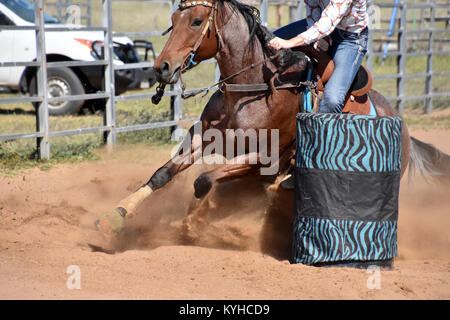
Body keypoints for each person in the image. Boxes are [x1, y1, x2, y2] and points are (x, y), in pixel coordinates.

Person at [268, 0, 370, 114]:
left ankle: (324, 130)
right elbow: (313, 9)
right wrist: (317, 36)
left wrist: (289, 43)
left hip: (349, 39)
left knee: (332, 100)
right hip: (322, 24)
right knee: (268, 42)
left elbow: (328, 22)